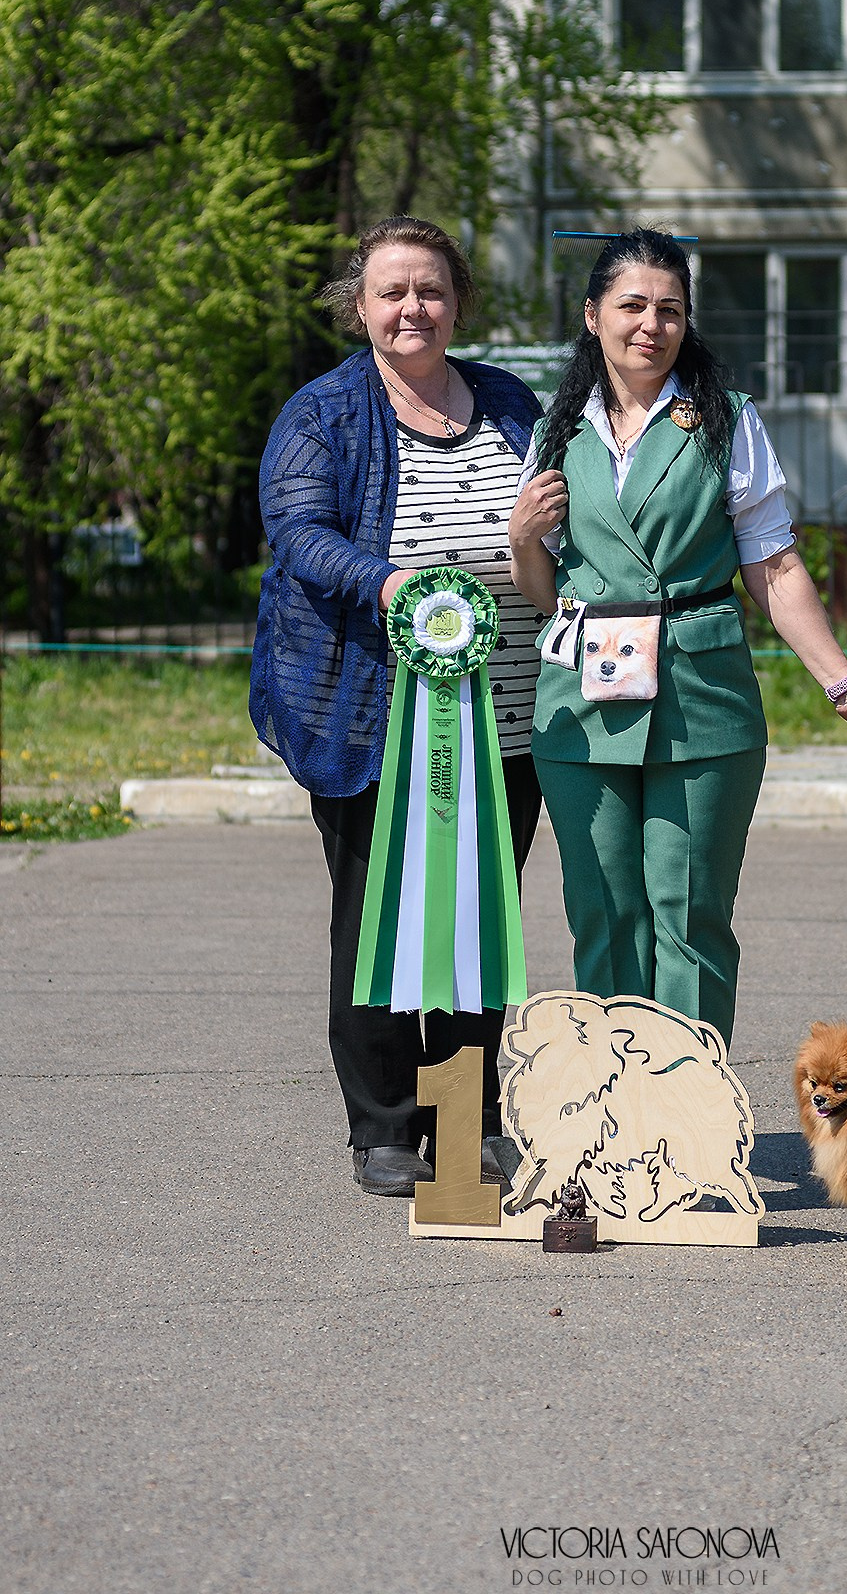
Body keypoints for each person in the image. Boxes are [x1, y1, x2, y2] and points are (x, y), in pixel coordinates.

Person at [508, 228, 847, 1049]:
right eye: (632, 306)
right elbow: (544, 593)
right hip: (582, 703)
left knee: (689, 911)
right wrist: (520, 541)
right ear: (592, 315)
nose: (651, 325)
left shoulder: (725, 421)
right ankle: (616, 1133)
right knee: (604, 911)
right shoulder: (556, 429)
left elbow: (776, 565)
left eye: (670, 310)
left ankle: (688, 1128)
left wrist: (843, 683)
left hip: (701, 693)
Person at [251, 217, 546, 1196]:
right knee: (379, 923)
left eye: (429, 290)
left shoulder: (506, 398)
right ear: (360, 306)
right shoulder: (322, 411)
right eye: (391, 292)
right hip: (372, 718)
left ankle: (460, 1124)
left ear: (457, 301)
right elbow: (296, 531)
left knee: (474, 927)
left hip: (504, 715)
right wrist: (389, 586)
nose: (411, 308)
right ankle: (381, 1127)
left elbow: (561, 501)